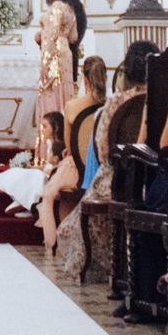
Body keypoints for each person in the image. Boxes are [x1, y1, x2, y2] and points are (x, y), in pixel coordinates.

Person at [54, 39, 157, 279]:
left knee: (70, 228)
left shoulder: (116, 102)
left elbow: (103, 152)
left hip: (119, 181)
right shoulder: (165, 97)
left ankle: (111, 265)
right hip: (155, 178)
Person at [38, 54, 107, 250]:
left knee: (50, 194)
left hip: (77, 167)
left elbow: (70, 146)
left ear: (85, 79)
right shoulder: (109, 105)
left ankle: (58, 244)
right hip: (102, 167)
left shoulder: (72, 106)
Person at [33, 0, 84, 157]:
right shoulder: (70, 8)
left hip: (53, 56)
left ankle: (46, 156)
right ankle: (62, 149)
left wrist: (45, 64)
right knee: (64, 99)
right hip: (65, 55)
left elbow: (51, 37)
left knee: (50, 101)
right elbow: (73, 37)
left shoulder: (56, 7)